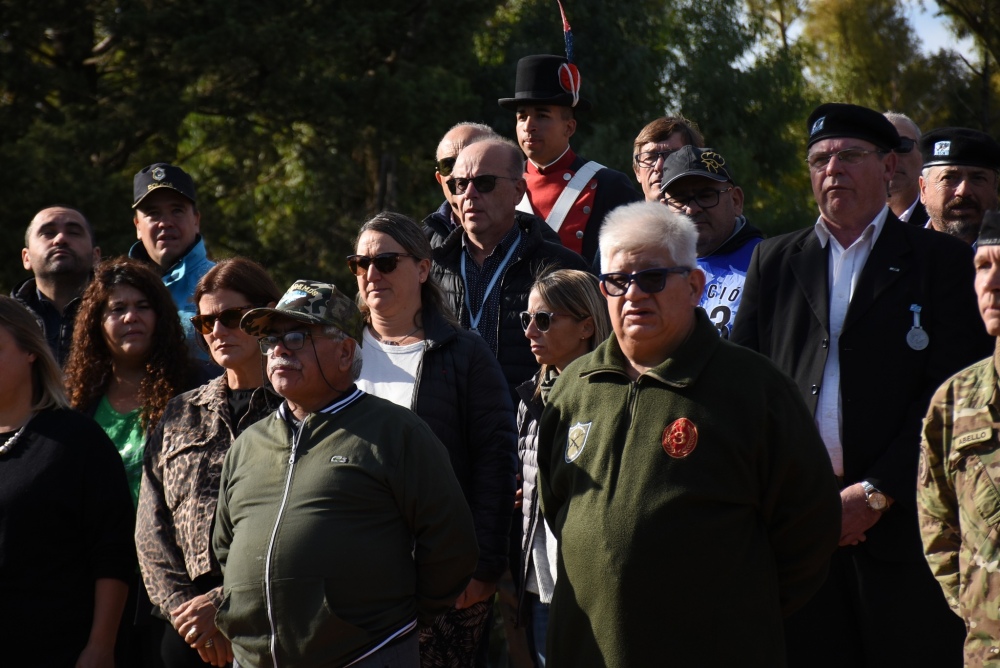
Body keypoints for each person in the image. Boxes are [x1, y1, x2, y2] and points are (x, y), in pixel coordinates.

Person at [731, 102, 993, 667]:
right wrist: (800, 499)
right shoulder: (774, 261)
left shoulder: (940, 261)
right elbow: (743, 389)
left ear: (889, 168)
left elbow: (948, 396)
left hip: (907, 530)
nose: (833, 169)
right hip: (800, 528)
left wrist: (875, 492)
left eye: (849, 156)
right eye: (820, 159)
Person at [537, 202, 841, 667]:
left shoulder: (754, 388)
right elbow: (556, 506)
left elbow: (809, 528)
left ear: (695, 285)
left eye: (653, 278)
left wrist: (738, 614)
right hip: (586, 651)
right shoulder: (573, 388)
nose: (634, 294)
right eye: (619, 281)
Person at [213, 280, 479, 667]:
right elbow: (225, 547)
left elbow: (452, 545)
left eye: (297, 336)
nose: (280, 349)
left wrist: (392, 622)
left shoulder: (395, 431)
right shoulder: (248, 444)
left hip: (365, 655)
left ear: (344, 352)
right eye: (271, 341)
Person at [351, 212, 518, 666]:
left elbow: (496, 464)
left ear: (423, 269)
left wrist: (484, 569)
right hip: (348, 577)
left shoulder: (464, 354)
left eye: (386, 262)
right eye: (360, 263)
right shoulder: (334, 351)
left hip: (441, 580)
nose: (371, 274)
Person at [136, 258, 282, 668]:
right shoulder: (181, 412)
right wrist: (186, 612)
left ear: (265, 315)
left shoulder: (298, 408)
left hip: (272, 617)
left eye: (231, 317)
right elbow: (151, 528)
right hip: (184, 628)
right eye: (204, 323)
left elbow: (299, 521)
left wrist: (222, 605)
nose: (217, 331)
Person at [0, 296, 135, 668]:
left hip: (58, 649)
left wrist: (100, 646)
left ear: (30, 352)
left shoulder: (78, 441)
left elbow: (112, 553)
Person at [430, 137, 589, 402]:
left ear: (518, 191)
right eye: (460, 184)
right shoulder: (429, 267)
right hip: (448, 430)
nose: (469, 194)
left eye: (484, 183)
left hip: (531, 428)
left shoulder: (562, 267)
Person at [515, 268, 611, 667]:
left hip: (596, 587)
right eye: (526, 319)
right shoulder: (530, 397)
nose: (530, 332)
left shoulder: (614, 394)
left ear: (587, 325)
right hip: (542, 582)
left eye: (544, 320)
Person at [918, 211, 1000, 666]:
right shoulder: (955, 399)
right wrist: (978, 607)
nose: (992, 283)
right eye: (982, 266)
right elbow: (937, 526)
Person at [64, 256, 199, 505]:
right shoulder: (74, 398)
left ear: (161, 317)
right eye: (118, 309)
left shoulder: (194, 390)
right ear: (97, 323)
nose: (131, 317)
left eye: (143, 306)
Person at [500, 54, 641, 263]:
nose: (529, 126)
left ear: (569, 127)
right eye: (522, 116)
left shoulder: (609, 185)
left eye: (542, 115)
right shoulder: (500, 183)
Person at [659, 145, 764, 337]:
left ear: (736, 201)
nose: (691, 209)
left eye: (706, 196)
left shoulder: (768, 263)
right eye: (680, 200)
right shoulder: (652, 271)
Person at [130, 162, 216, 354]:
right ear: (137, 226)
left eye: (177, 210)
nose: (166, 223)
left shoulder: (224, 282)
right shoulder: (115, 289)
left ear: (196, 220)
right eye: (153, 214)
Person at [12, 205, 101, 365]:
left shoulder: (121, 314)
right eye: (48, 233)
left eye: (74, 233)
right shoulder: (7, 321)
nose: (60, 239)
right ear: (27, 258)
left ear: (96, 256)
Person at [919, 127, 1000, 245]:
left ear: (995, 187)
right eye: (949, 178)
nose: (963, 191)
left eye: (977, 178)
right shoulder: (892, 249)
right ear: (923, 189)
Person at [423, 122, 499, 248]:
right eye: (448, 165)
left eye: (471, 161)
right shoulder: (420, 246)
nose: (459, 173)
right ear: (439, 179)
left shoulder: (532, 235)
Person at [631, 115, 704, 202]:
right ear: (637, 172)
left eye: (671, 156)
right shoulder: (619, 215)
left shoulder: (715, 215)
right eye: (650, 157)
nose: (659, 166)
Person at [883, 111, 927, 225]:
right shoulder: (844, 225)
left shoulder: (939, 224)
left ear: (922, 156)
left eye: (902, 145)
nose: (892, 158)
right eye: (882, 148)